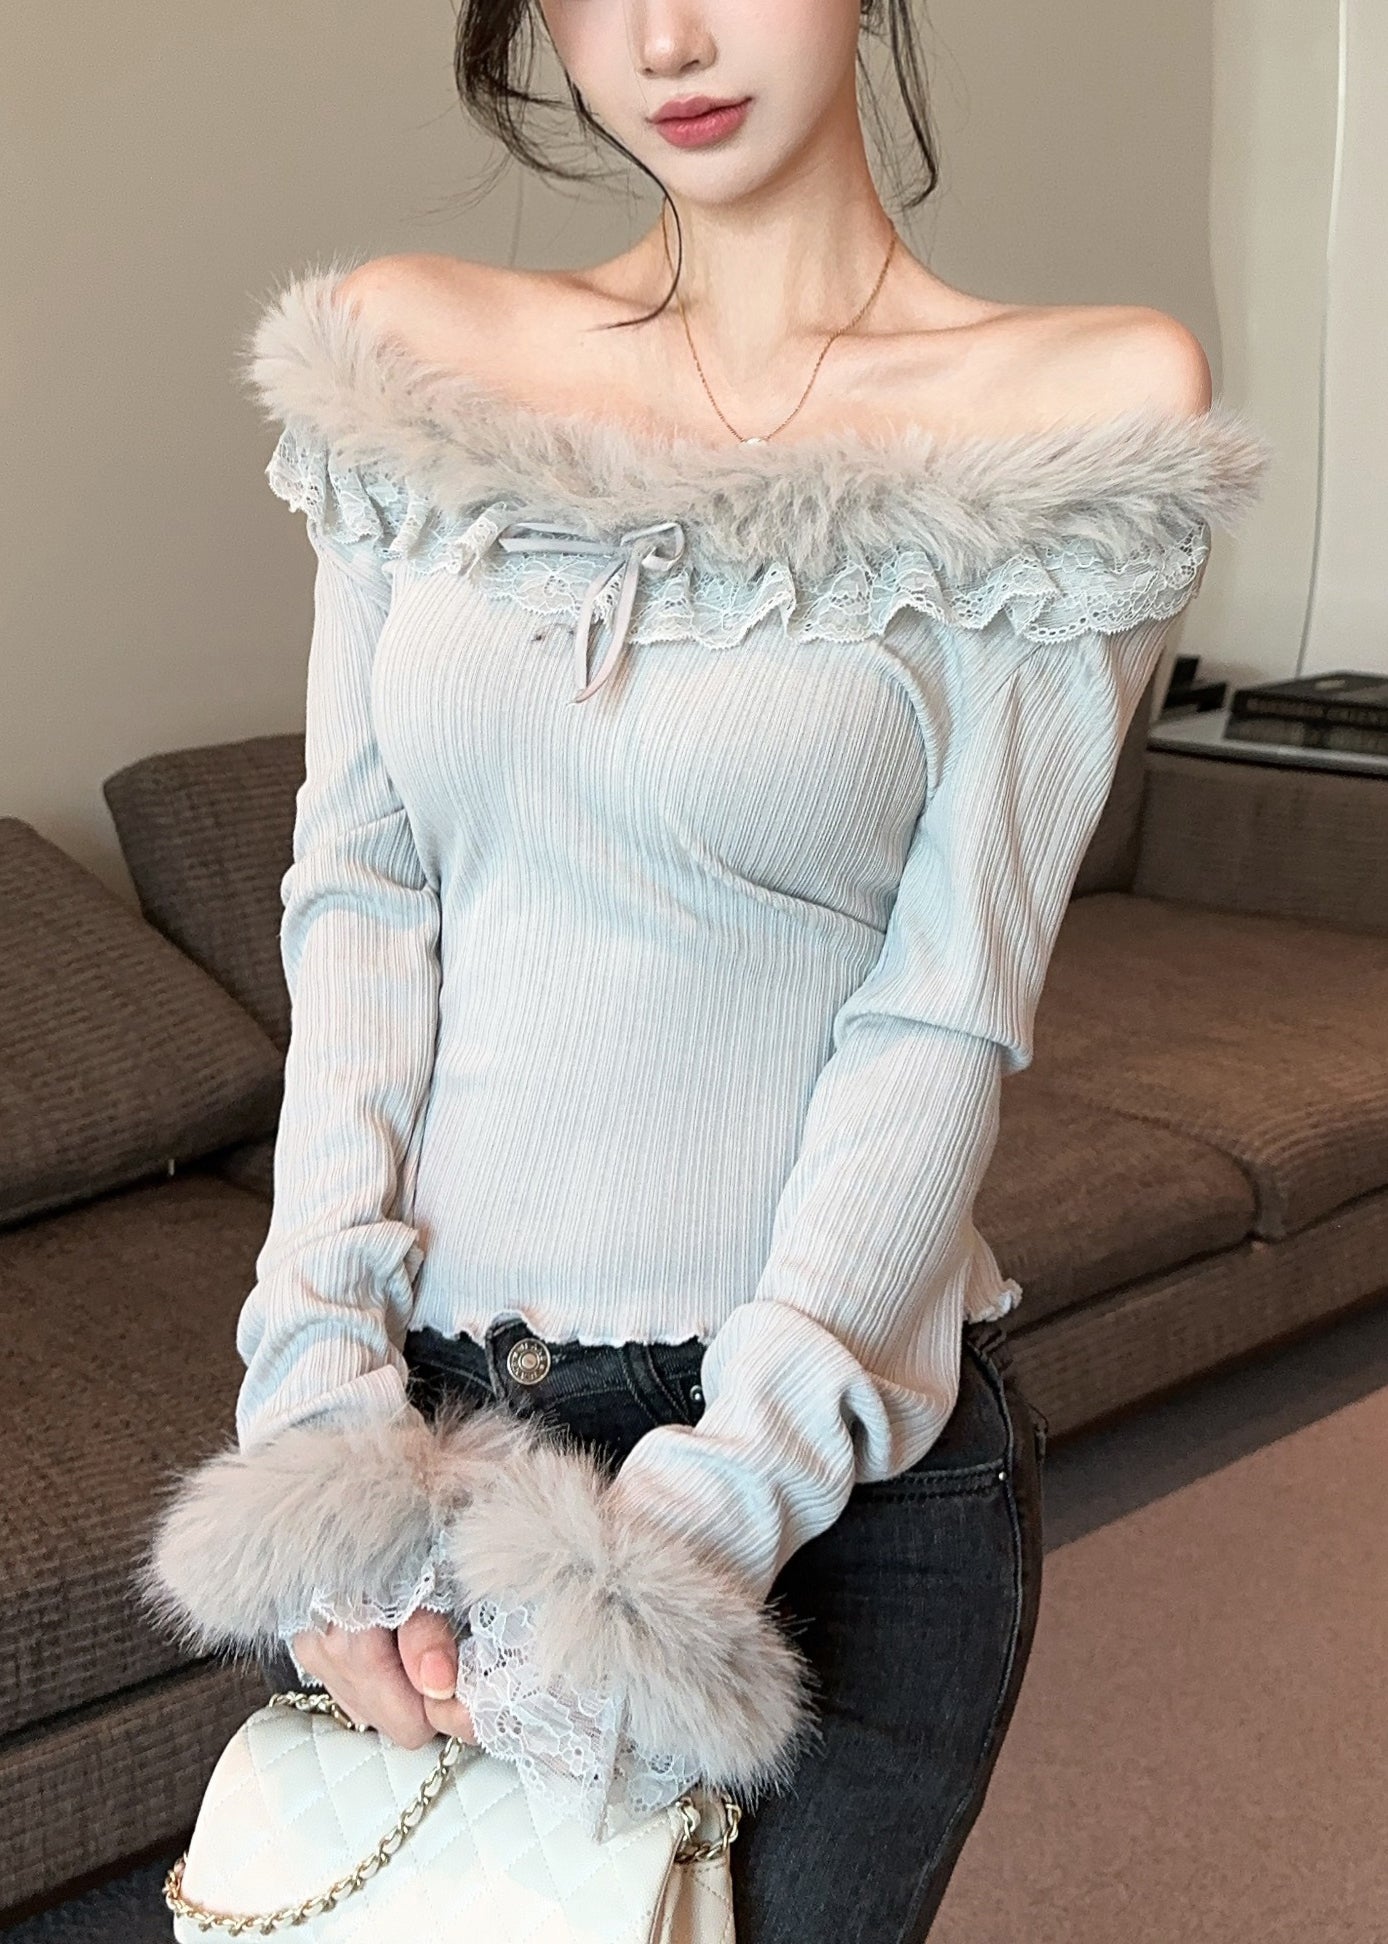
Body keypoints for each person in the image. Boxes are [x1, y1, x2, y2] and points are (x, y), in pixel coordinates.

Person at [136, 2, 1272, 1936]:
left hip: (815, 1461)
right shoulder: (412, 363)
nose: (666, 35)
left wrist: (704, 1520)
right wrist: (323, 1417)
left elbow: (946, 1006)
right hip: (427, 1427)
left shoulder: (1074, 410)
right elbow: (361, 898)